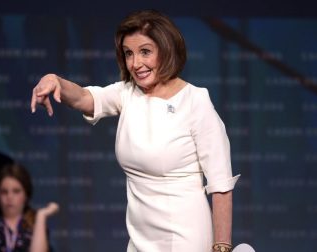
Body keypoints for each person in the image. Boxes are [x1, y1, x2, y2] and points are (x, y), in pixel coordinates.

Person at [30, 9, 240, 252]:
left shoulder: (195, 101)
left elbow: (220, 183)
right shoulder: (127, 93)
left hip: (184, 236)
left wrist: (222, 246)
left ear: (167, 49)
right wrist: (54, 80)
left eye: (145, 52)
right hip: (140, 238)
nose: (135, 63)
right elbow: (85, 98)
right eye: (128, 53)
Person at [0, 162, 59, 252]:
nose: (9, 197)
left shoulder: (35, 223)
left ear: (26, 195)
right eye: (4, 192)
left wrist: (41, 215)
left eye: (16, 191)